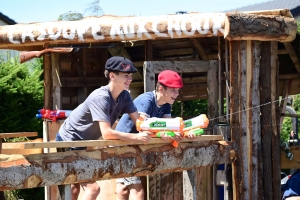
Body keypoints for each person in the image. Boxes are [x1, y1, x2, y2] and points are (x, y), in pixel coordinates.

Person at [55, 56, 152, 200]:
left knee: (74, 189)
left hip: (83, 144)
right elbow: (107, 134)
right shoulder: (101, 97)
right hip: (68, 141)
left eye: (130, 75)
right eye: (126, 75)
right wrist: (136, 137)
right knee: (91, 189)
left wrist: (164, 130)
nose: (130, 79)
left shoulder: (124, 96)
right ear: (112, 76)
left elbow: (140, 122)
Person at [115, 70, 199, 200]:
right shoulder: (146, 101)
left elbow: (169, 126)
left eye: (177, 91)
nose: (177, 94)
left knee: (123, 188)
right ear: (161, 88)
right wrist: (162, 134)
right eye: (173, 90)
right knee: (138, 193)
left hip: (135, 145)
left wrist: (185, 133)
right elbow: (143, 126)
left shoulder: (166, 104)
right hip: (124, 143)